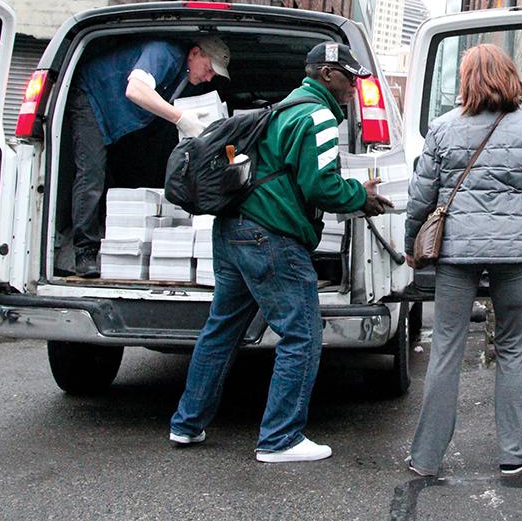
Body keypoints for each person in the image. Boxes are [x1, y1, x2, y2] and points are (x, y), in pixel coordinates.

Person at [168, 42, 392, 463]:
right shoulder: (319, 116)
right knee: (302, 335)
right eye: (348, 78)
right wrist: (360, 197)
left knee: (221, 329)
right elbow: (320, 186)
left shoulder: (280, 109)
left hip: (233, 232)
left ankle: (187, 423)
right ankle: (280, 438)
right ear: (326, 74)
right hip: (271, 238)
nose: (352, 89)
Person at [405, 44, 522, 477]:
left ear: (466, 80)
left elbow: (421, 199)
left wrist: (408, 243)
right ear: (509, 77)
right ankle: (513, 452)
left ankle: (426, 458)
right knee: (512, 348)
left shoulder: (441, 128)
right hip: (515, 251)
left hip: (457, 251)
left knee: (447, 348)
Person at [68, 37, 231, 277]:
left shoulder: (183, 77)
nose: (209, 78)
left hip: (115, 117)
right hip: (92, 99)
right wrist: (180, 118)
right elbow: (135, 90)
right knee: (91, 175)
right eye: (208, 69)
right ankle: (85, 252)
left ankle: (108, 242)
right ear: (194, 53)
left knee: (113, 180)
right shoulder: (164, 52)